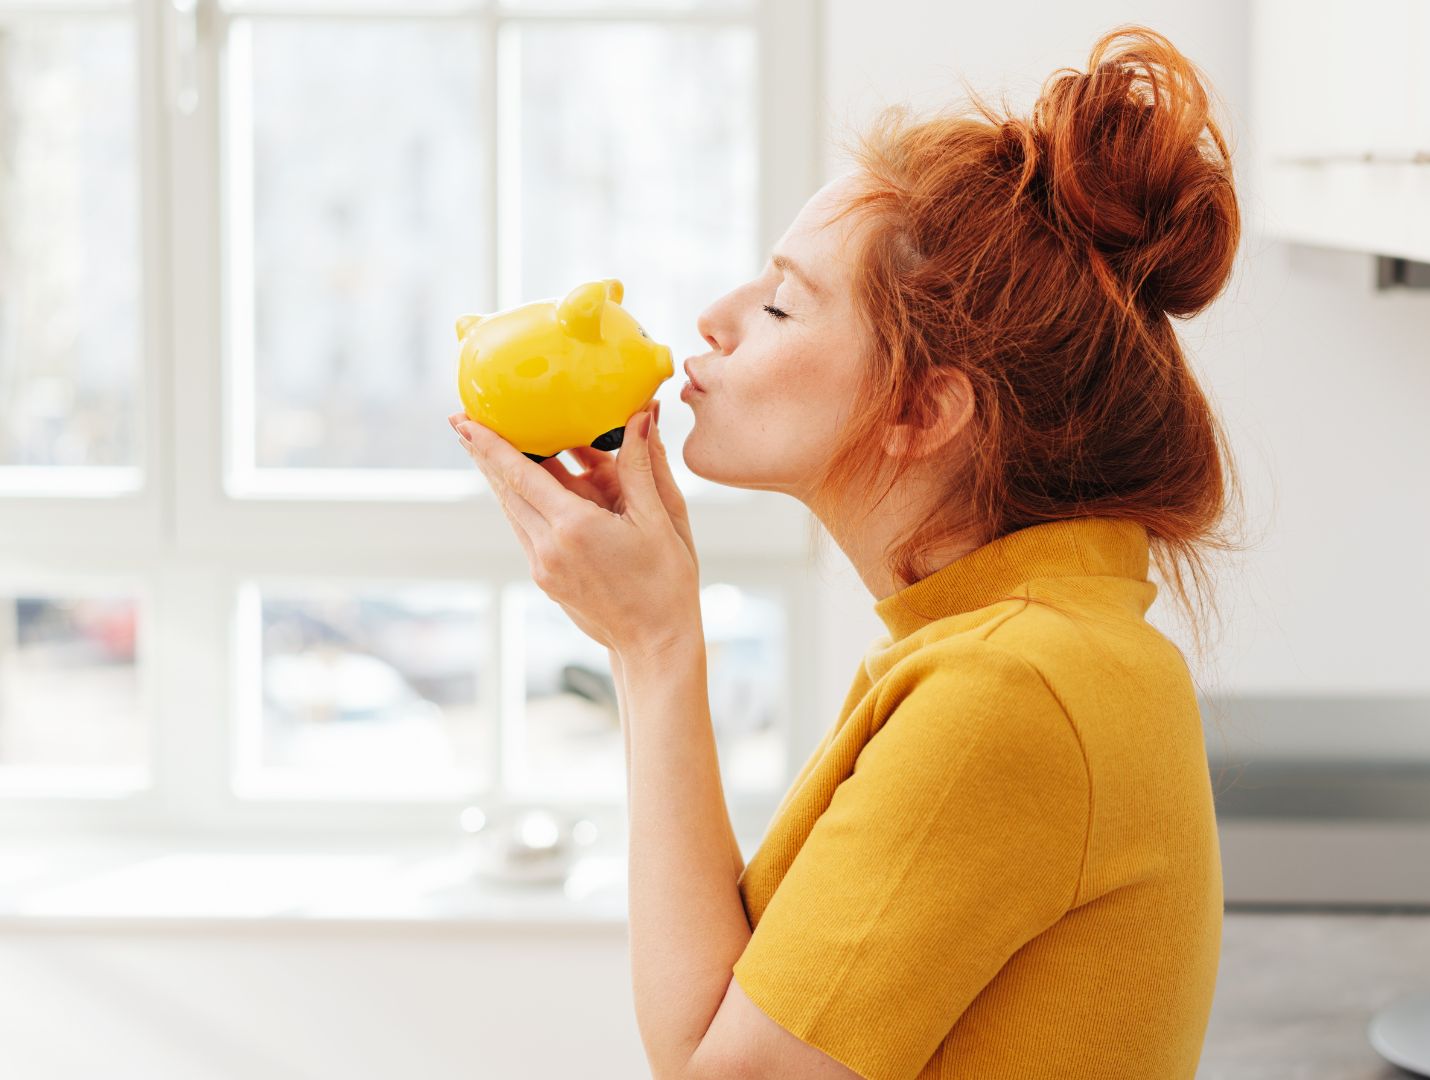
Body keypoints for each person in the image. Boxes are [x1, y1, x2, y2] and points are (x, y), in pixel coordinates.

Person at [453, 21, 1247, 1079]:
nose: (717, 318)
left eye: (782, 302)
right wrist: (648, 636)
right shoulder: (1041, 648)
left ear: (922, 408)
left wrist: (652, 644)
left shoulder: (1010, 693)